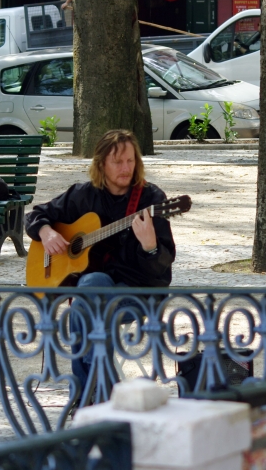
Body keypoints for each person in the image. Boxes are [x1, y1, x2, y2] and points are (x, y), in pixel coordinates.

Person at [25, 129, 176, 400]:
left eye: (130, 161)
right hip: (94, 291)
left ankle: (89, 395)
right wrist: (46, 232)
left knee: (82, 308)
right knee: (91, 288)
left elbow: (161, 268)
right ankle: (101, 392)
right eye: (117, 162)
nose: (126, 168)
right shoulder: (83, 195)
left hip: (138, 292)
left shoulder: (151, 200)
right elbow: (36, 215)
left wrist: (150, 247)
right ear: (101, 165)